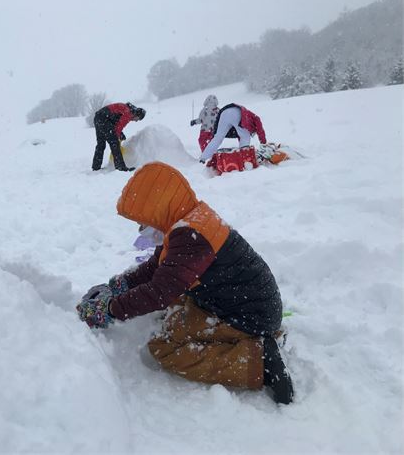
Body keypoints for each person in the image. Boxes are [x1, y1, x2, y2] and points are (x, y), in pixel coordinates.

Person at [76, 162, 294, 404]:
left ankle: (259, 361)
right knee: (171, 311)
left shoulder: (191, 238)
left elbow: (160, 292)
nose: (140, 229)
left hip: (250, 317)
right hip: (242, 303)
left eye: (143, 222)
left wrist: (109, 309)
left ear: (158, 210)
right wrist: (117, 286)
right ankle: (250, 342)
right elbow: (156, 269)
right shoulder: (189, 222)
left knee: (165, 347)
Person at [199, 103, 267, 164]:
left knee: (218, 137)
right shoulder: (256, 118)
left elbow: (240, 136)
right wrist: (264, 143)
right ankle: (245, 158)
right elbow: (261, 131)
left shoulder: (246, 120)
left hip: (225, 112)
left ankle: (203, 158)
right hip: (237, 112)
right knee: (245, 136)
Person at [92, 102, 146, 171]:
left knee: (101, 144)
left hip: (98, 118)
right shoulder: (128, 113)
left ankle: (96, 167)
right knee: (115, 144)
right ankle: (120, 167)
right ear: (136, 114)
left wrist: (120, 134)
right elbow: (118, 128)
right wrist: (118, 136)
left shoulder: (126, 109)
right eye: (137, 119)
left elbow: (115, 124)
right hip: (105, 119)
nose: (136, 121)